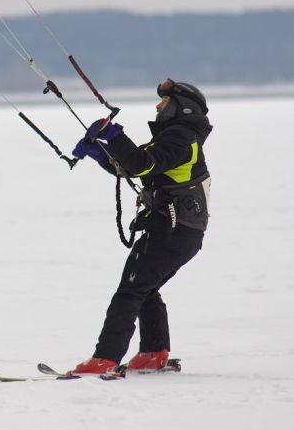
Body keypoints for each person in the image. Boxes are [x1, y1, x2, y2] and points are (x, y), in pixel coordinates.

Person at [69, 78, 213, 374]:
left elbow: (141, 164)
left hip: (173, 230)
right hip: (178, 231)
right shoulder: (174, 138)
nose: (158, 106)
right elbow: (133, 165)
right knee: (144, 288)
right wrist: (101, 154)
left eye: (164, 101)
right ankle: (153, 352)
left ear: (182, 108)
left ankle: (105, 358)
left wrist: (114, 134)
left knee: (130, 291)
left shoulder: (181, 139)